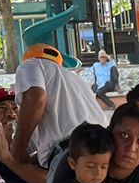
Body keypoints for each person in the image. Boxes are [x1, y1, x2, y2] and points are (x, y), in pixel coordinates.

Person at [9, 44, 106, 173]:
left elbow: (35, 99)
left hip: (72, 149)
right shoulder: (75, 78)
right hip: (103, 147)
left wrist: (18, 149)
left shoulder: (31, 65)